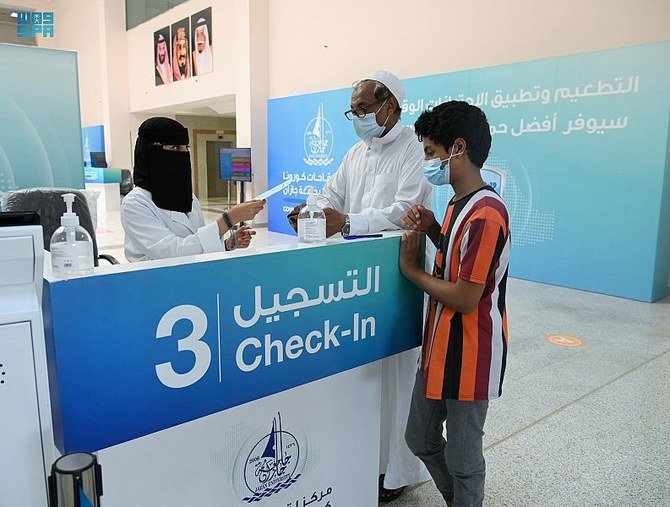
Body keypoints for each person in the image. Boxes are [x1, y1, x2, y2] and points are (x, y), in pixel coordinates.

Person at [289, 71, 431, 503]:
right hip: (355, 281)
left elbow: (407, 210)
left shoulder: (413, 149)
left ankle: (399, 470)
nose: (358, 117)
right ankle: (364, 457)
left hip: (399, 273)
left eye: (365, 108)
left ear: (391, 106)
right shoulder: (355, 152)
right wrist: (312, 210)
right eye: (354, 110)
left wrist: (348, 221)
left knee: (398, 373)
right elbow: (332, 195)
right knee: (364, 375)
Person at [399, 101, 510, 507]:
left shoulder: (487, 213)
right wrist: (432, 230)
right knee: (420, 437)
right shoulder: (455, 204)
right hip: (439, 349)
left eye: (431, 152)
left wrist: (412, 271)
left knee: (465, 458)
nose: (429, 162)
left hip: (470, 354)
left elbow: (466, 297)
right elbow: (456, 259)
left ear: (457, 148)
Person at [122, 117, 264, 262]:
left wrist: (227, 244)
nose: (183, 154)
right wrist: (228, 219)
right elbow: (170, 252)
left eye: (186, 148)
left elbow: (194, 242)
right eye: (175, 148)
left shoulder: (186, 197)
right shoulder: (135, 203)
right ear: (151, 153)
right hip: (153, 279)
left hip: (190, 275)